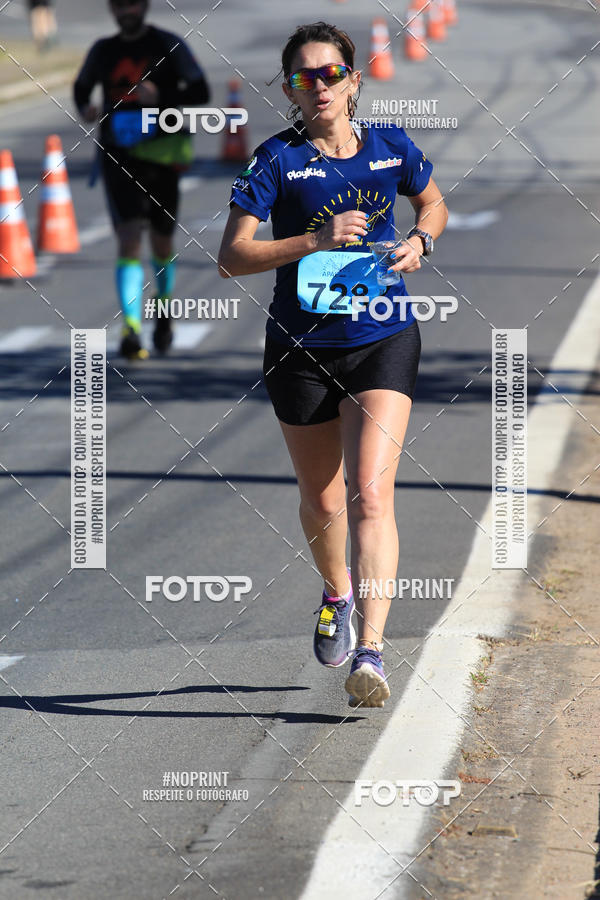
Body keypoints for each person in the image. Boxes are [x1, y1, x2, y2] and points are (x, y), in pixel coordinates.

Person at [218, 21, 448, 708]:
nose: (318, 86)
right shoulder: (276, 160)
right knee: (323, 501)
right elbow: (231, 258)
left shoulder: (390, 147)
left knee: (369, 494)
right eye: (302, 76)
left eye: (330, 74)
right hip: (300, 349)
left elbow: (434, 203)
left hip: (383, 337)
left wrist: (420, 241)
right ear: (289, 88)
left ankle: (371, 653)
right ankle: (336, 592)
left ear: (353, 80)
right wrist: (312, 240)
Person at [73, 0, 210, 359]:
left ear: (145, 6)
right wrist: (85, 107)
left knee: (162, 242)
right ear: (111, 10)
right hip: (118, 155)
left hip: (162, 155)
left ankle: (163, 309)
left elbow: (201, 91)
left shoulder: (168, 44)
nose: (126, 11)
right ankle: (131, 327)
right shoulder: (103, 50)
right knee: (129, 238)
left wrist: (163, 96)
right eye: (119, 5)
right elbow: (81, 87)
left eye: (132, 4)